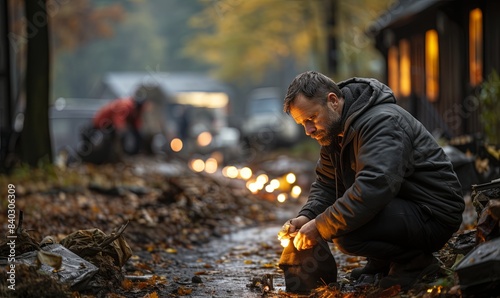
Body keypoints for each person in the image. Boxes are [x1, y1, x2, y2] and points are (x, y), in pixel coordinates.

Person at [281, 70, 465, 290]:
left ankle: (415, 264)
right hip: (404, 206)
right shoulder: (332, 132)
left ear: (332, 101)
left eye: (311, 119)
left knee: (345, 232)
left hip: (434, 213)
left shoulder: (382, 122)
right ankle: (383, 262)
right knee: (337, 221)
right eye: (303, 124)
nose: (309, 130)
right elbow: (327, 184)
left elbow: (374, 188)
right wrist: (306, 216)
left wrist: (319, 226)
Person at [85, 95, 147, 163]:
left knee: (135, 135)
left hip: (110, 125)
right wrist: (124, 132)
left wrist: (138, 133)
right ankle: (111, 157)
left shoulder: (135, 110)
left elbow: (136, 123)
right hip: (102, 124)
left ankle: (131, 154)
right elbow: (119, 121)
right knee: (113, 140)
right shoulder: (125, 105)